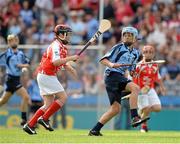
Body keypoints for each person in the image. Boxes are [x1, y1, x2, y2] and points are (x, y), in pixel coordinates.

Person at [88, 26, 150, 136]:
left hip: (119, 77)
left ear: (135, 38)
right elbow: (103, 60)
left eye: (130, 35)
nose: (126, 37)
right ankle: (135, 117)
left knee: (115, 109)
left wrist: (133, 72)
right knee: (135, 88)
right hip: (111, 75)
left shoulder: (136, 53)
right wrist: (112, 64)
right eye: (125, 35)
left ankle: (95, 130)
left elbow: (131, 70)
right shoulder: (118, 47)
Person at [23, 24, 79, 135]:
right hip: (47, 75)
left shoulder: (62, 48)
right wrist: (71, 58)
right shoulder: (56, 46)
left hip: (45, 75)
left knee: (47, 104)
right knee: (63, 97)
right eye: (67, 34)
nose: (69, 37)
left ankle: (29, 125)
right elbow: (55, 62)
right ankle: (44, 118)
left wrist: (70, 68)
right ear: (61, 34)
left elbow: (61, 63)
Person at [133, 45, 166, 132]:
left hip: (150, 89)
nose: (148, 54)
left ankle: (141, 112)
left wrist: (162, 87)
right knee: (147, 109)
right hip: (141, 91)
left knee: (158, 108)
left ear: (153, 54)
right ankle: (143, 127)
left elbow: (157, 77)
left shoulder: (155, 65)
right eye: (146, 52)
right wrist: (137, 90)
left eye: (150, 52)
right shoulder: (139, 66)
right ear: (143, 53)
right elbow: (133, 78)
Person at [0, 34, 31, 126]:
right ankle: (24, 121)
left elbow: (28, 63)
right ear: (9, 42)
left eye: (16, 40)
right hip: (10, 79)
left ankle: (23, 120)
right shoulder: (7, 54)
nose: (15, 42)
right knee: (26, 96)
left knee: (3, 101)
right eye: (12, 40)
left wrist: (22, 66)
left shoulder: (21, 54)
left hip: (17, 79)